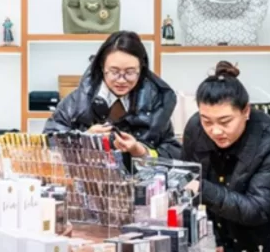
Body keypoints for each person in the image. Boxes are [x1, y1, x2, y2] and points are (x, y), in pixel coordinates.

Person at [181, 61, 270, 252]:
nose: (215, 131)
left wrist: (204, 189)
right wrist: (213, 241)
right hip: (219, 241)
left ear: (246, 111)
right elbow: (189, 192)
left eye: (225, 121)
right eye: (207, 121)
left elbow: (258, 209)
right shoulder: (195, 129)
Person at [44, 30, 181, 158]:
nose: (121, 80)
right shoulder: (77, 100)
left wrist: (141, 151)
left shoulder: (156, 102)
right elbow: (47, 142)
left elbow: (172, 151)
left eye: (130, 72)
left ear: (142, 69)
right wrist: (83, 139)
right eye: (114, 72)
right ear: (102, 67)